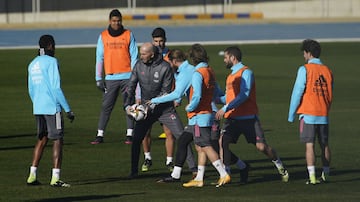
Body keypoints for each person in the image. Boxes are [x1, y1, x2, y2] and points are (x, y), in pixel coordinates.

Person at [215, 46, 289, 183]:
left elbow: (244, 95)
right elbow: (229, 98)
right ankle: (226, 175)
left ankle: (279, 165)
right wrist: (215, 99)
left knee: (262, 147)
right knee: (222, 142)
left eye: (225, 57)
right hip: (232, 119)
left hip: (249, 119)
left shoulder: (246, 72)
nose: (224, 60)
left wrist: (225, 108)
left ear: (233, 57)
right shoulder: (231, 76)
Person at [125, 43, 196, 178]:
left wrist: (150, 105)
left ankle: (194, 169)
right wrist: (128, 106)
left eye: (144, 54)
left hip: (166, 110)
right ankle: (134, 171)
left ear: (152, 54)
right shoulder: (138, 66)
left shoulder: (165, 67)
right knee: (136, 139)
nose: (141, 56)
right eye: (140, 53)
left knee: (182, 137)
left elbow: (166, 91)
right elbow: (131, 85)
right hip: (146, 110)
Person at [26, 34, 75, 187]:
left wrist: (37, 103)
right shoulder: (52, 62)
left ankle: (32, 175)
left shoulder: (32, 63)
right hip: (52, 107)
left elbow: (31, 89)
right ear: (50, 46)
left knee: (42, 139)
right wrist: (68, 109)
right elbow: (56, 87)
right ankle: (56, 177)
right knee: (57, 139)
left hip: (38, 107)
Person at [179, 44, 230, 188]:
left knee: (206, 146)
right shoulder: (210, 70)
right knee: (200, 146)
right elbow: (216, 93)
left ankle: (223, 174)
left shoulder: (198, 73)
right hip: (207, 113)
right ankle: (199, 178)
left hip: (199, 115)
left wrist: (190, 106)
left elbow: (196, 95)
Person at [288, 39, 333, 185]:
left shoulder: (304, 69)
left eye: (304, 53)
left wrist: (291, 114)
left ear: (308, 53)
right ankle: (326, 175)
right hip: (323, 114)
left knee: (309, 145)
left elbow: (297, 92)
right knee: (324, 145)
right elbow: (329, 95)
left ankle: (312, 177)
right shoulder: (327, 70)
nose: (303, 56)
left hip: (308, 114)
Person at [90, 9, 138, 145]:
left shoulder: (128, 34)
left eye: (118, 21)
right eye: (113, 21)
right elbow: (99, 58)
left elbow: (134, 56)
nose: (116, 23)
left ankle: (130, 134)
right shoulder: (103, 36)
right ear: (110, 21)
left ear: (121, 21)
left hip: (128, 77)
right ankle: (100, 134)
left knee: (129, 106)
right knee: (106, 106)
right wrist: (98, 78)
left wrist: (135, 76)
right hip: (110, 78)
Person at [140, 27, 176, 172]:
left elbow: (176, 78)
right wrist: (138, 97)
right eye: (156, 41)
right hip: (148, 100)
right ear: (152, 41)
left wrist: (176, 96)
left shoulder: (171, 56)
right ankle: (147, 158)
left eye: (161, 41)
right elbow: (139, 77)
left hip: (166, 100)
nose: (159, 44)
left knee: (169, 132)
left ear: (165, 41)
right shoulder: (148, 55)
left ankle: (169, 161)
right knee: (145, 131)